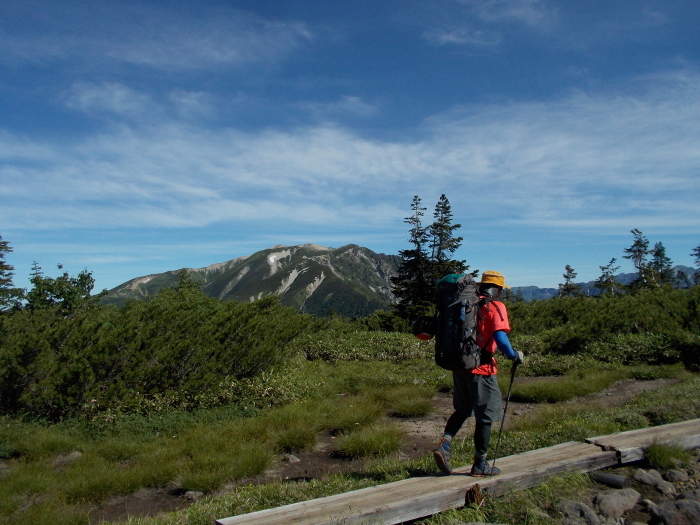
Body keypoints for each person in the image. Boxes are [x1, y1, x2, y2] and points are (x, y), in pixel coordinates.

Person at [433, 270, 524, 477]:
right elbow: (500, 337)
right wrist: (513, 356)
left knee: (463, 410)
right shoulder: (495, 306)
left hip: (459, 365)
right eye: (501, 289)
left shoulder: (465, 304)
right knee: (485, 417)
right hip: (481, 369)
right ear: (497, 289)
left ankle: (445, 444)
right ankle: (480, 464)